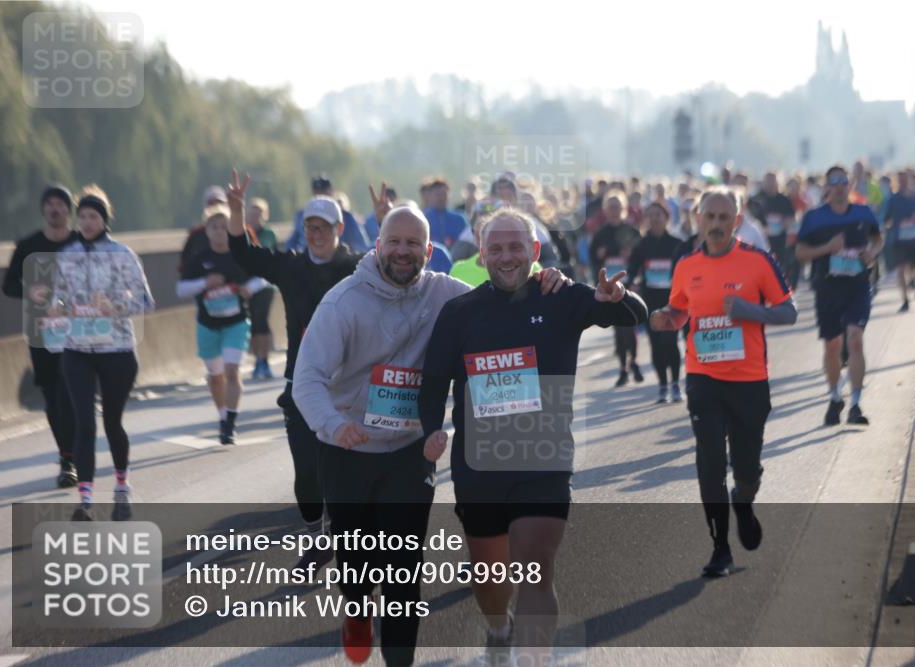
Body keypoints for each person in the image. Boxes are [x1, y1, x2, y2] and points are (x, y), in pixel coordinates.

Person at [292, 187, 569, 666]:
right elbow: (307, 378)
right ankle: (357, 613)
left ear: (428, 250)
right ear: (378, 245)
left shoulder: (447, 294)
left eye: (413, 244)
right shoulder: (343, 302)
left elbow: (501, 297)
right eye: (394, 242)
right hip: (347, 449)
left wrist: (547, 279)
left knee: (402, 572)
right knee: (357, 568)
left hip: (409, 452)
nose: (403, 251)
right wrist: (333, 425)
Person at [419, 207, 647, 665]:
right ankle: (498, 631)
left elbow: (634, 314)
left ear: (534, 252)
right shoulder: (459, 312)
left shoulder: (559, 297)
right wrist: (430, 432)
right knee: (490, 577)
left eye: (516, 247)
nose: (507, 257)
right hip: (479, 467)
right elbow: (432, 385)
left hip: (544, 459)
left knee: (535, 570)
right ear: (482, 256)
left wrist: (618, 295)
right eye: (496, 248)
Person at [651, 189, 796, 577]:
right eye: (709, 217)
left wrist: (748, 310)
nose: (715, 225)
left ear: (736, 219)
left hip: (749, 381)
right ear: (697, 218)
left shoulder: (757, 261)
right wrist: (668, 317)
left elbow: (789, 312)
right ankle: (720, 548)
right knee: (709, 462)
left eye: (723, 217)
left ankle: (744, 502)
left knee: (746, 469)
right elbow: (682, 310)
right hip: (702, 377)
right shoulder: (686, 265)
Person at [227, 171, 361, 576]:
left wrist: (388, 217)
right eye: (310, 228)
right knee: (307, 472)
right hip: (300, 384)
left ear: (339, 228)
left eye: (323, 228)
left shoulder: (359, 268)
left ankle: (342, 538)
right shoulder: (290, 267)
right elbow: (243, 252)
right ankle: (315, 536)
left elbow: (400, 266)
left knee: (341, 472)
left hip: (349, 386)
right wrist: (236, 212)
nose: (316, 234)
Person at [49, 185, 155, 515]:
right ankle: (86, 500)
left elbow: (146, 302)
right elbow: (59, 298)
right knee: (84, 424)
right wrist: (61, 307)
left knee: (111, 422)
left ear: (104, 220)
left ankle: (121, 486)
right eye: (82, 216)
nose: (87, 222)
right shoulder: (67, 256)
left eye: (93, 216)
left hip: (117, 350)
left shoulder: (122, 255)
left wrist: (115, 305)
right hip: (77, 349)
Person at [1, 184, 78, 487]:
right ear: (43, 210)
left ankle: (70, 459)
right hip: (42, 331)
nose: (55, 209)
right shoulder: (28, 245)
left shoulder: (80, 242)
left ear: (68, 210)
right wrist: (29, 291)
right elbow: (8, 286)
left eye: (60, 204)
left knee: (70, 391)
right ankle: (66, 455)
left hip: (77, 330)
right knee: (52, 394)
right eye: (50, 204)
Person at [795, 165, 884, 426]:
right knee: (832, 345)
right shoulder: (814, 218)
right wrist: (827, 248)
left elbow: (878, 239)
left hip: (857, 285)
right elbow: (800, 252)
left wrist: (872, 252)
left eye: (844, 181)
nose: (839, 186)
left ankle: (855, 404)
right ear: (827, 187)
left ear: (850, 185)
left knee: (855, 339)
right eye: (834, 181)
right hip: (827, 288)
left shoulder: (863, 212)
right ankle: (835, 397)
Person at [177, 205, 269, 444]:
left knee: (231, 370)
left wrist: (250, 288)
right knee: (215, 376)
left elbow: (264, 276)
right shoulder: (199, 260)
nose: (219, 231)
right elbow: (181, 289)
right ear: (206, 231)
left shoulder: (241, 255)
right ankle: (221, 415)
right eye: (214, 227)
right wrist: (204, 283)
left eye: (223, 227)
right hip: (208, 325)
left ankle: (230, 422)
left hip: (236, 323)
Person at [626, 200, 684, 402]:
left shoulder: (677, 244)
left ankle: (675, 383)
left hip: (673, 300)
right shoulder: (642, 245)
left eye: (658, 215)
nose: (654, 219)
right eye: (650, 215)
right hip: (650, 300)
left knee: (670, 341)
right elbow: (632, 270)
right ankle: (662, 385)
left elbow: (686, 270)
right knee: (656, 344)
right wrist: (625, 285)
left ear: (666, 218)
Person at [590, 191, 644, 386]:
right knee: (618, 330)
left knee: (630, 326)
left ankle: (634, 361)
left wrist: (635, 270)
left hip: (629, 286)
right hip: (610, 288)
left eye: (617, 207)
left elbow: (641, 258)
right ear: (605, 210)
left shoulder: (632, 231)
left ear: (624, 209)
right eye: (610, 207)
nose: (614, 211)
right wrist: (600, 262)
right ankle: (623, 368)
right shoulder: (600, 234)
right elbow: (593, 260)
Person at [285, 173, 370, 253]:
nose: (320, 195)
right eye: (311, 228)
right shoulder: (302, 216)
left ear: (331, 191)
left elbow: (361, 247)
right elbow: (291, 245)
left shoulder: (346, 217)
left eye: (326, 227)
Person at [886, 170, 915, 312]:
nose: (903, 182)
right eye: (900, 180)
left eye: (905, 179)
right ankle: (905, 300)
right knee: (900, 270)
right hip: (899, 240)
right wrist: (892, 223)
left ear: (910, 181)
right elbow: (885, 218)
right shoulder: (892, 199)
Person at [245, 197, 278, 380]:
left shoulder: (269, 234)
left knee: (262, 322)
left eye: (258, 214)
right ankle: (257, 360)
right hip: (248, 284)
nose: (254, 217)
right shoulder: (244, 233)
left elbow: (272, 258)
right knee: (253, 324)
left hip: (265, 284)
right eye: (252, 213)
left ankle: (264, 360)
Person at [423, 178, 469, 248]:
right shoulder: (423, 218)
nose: (441, 198)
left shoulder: (459, 219)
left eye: (444, 194)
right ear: (430, 195)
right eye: (437, 194)